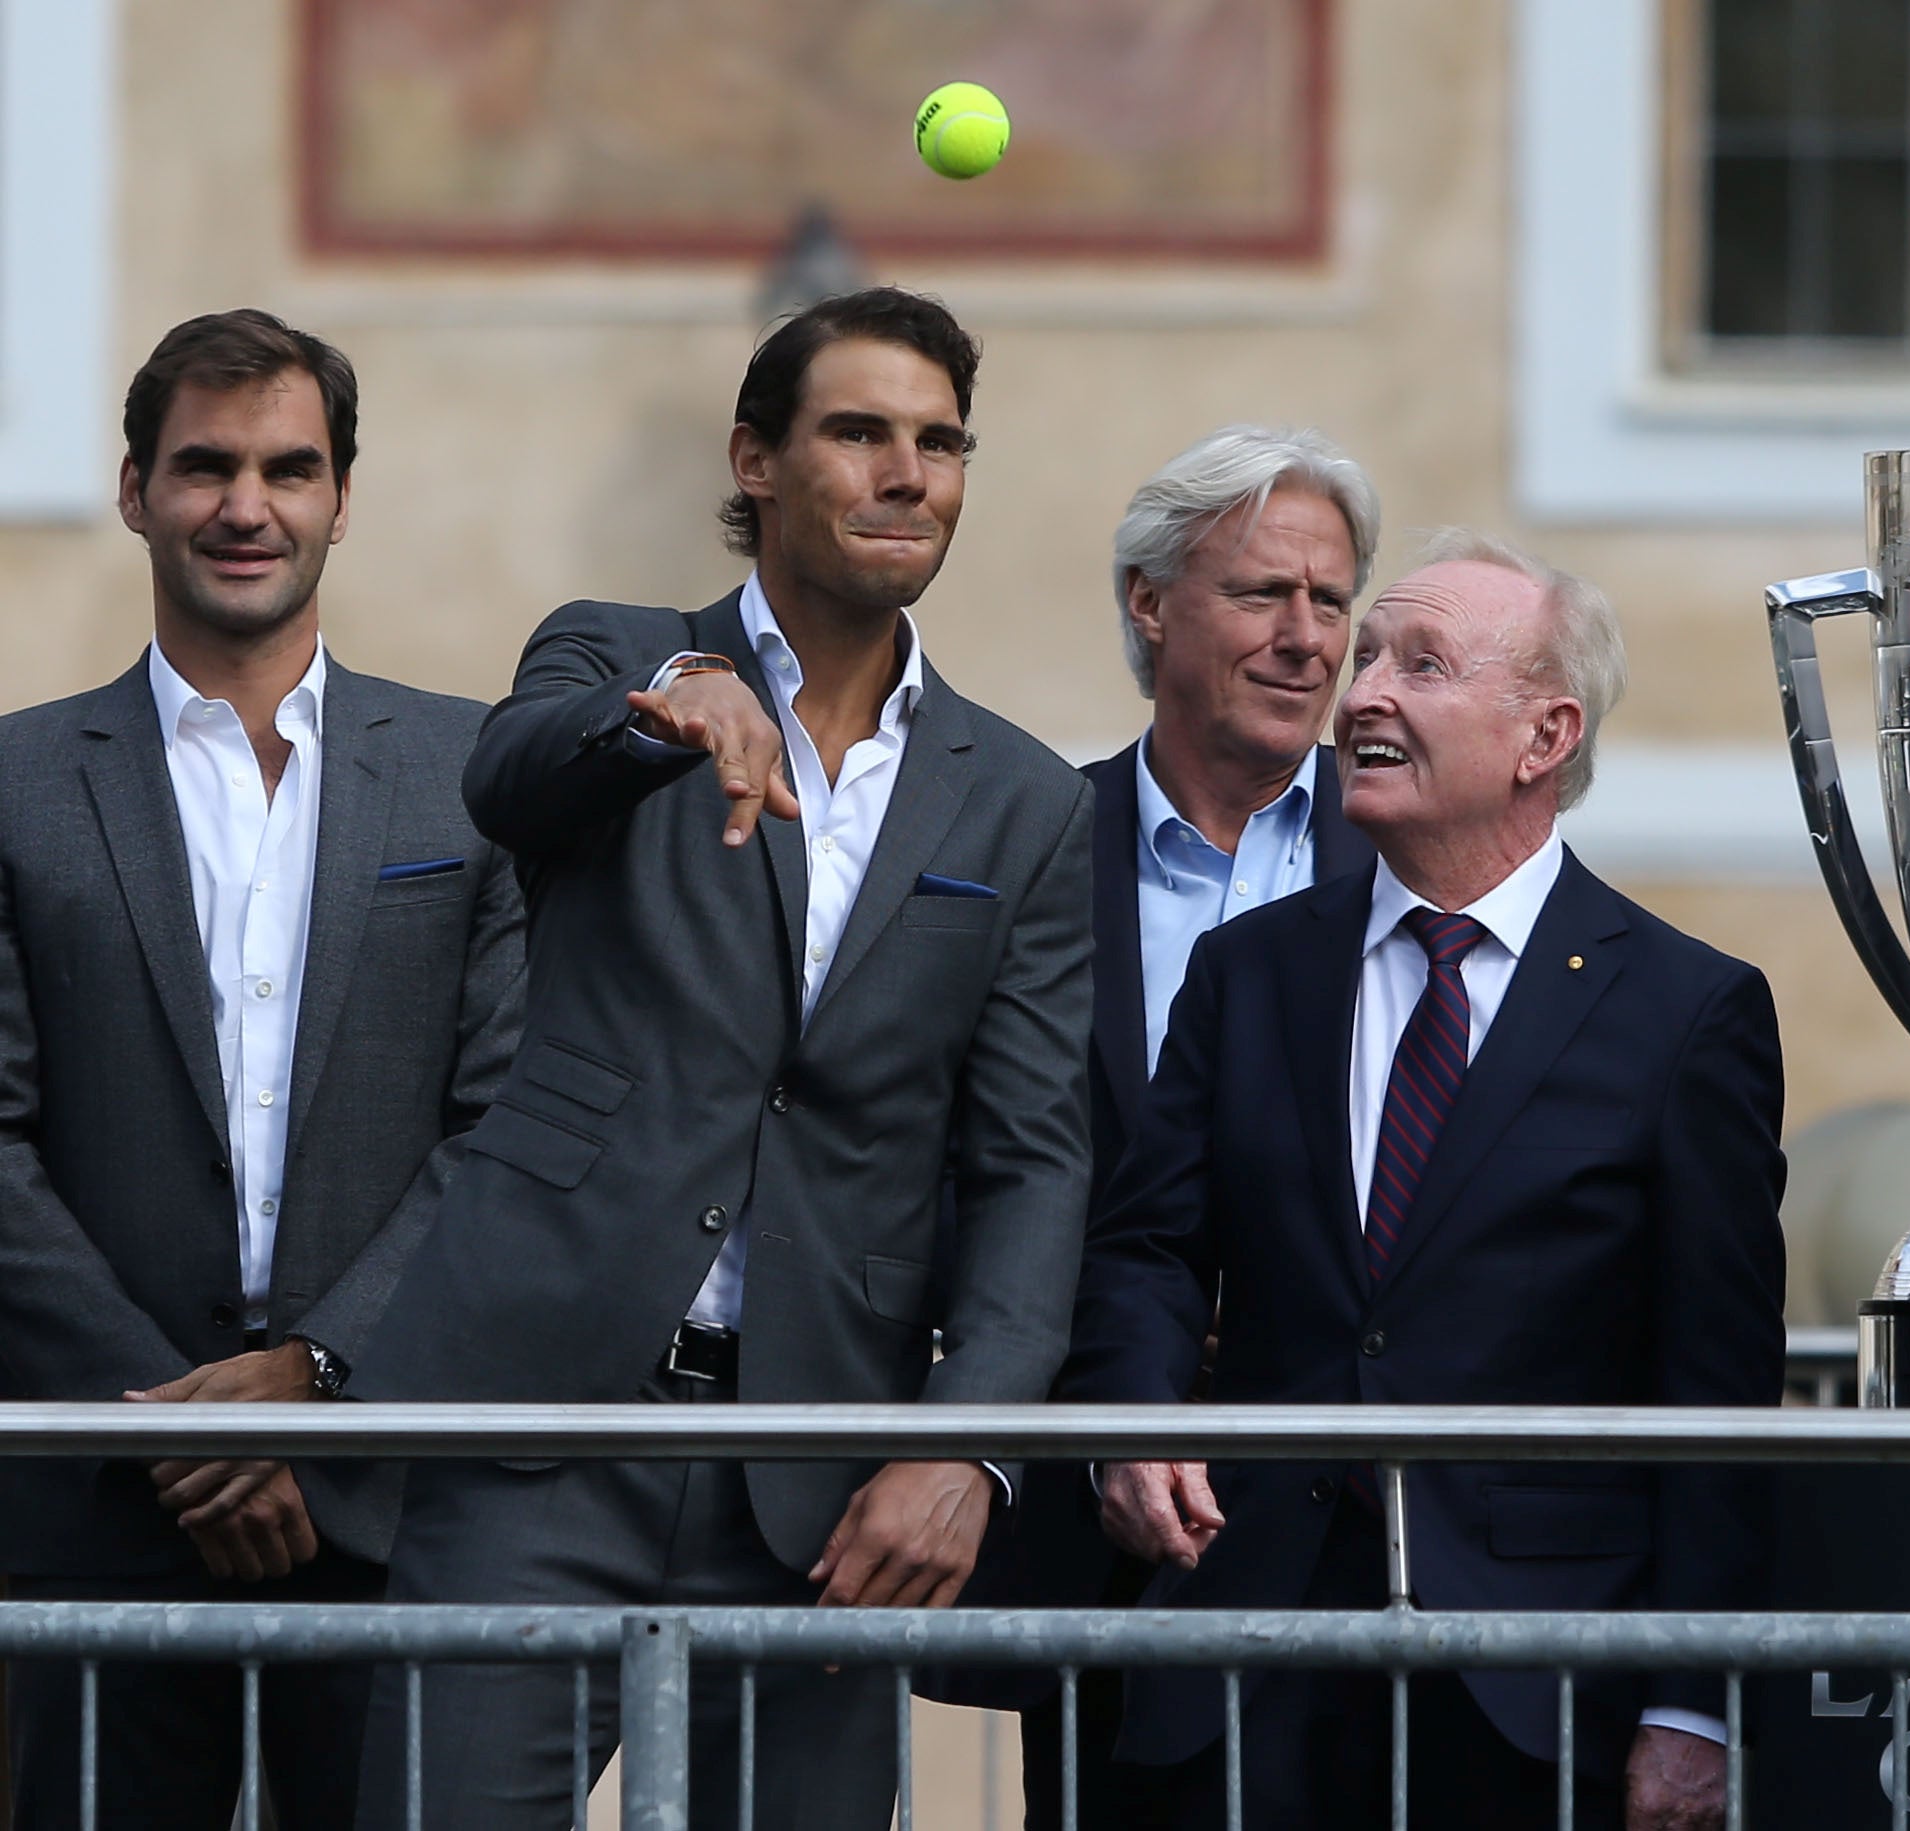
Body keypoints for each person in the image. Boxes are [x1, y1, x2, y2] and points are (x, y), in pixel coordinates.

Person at [347, 288, 1094, 1829]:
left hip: (821, 1487)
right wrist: (667, 715)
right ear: (756, 460)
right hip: (539, 1438)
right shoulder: (618, 655)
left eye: (941, 441)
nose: (909, 473)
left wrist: (972, 1455)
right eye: (860, 433)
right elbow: (511, 777)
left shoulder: (1022, 800)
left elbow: (1030, 1163)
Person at [1063, 532, 1787, 1831]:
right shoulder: (1250, 973)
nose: (1363, 691)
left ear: (1543, 735)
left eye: (1422, 663)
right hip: (1247, 1641)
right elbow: (1148, 1248)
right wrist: (1133, 1411)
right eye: (1374, 653)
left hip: (1530, 1682)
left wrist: (1693, 1700)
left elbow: (1714, 1389)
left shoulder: (1685, 1012)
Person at [0, 309, 524, 1829]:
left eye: (290, 468)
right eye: (205, 466)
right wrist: (174, 1429)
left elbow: (496, 1133)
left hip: (383, 1504)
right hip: (94, 1501)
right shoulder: (20, 786)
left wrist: (315, 1383)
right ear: (132, 489)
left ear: (341, 499)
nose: (247, 505)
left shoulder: (468, 776)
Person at [975, 425, 1382, 1829]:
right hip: (1093, 1518)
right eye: (1262, 594)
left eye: (1331, 603)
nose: (1305, 638)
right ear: (1151, 605)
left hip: (1352, 1511)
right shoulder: (1027, 847)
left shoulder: (1408, 862)